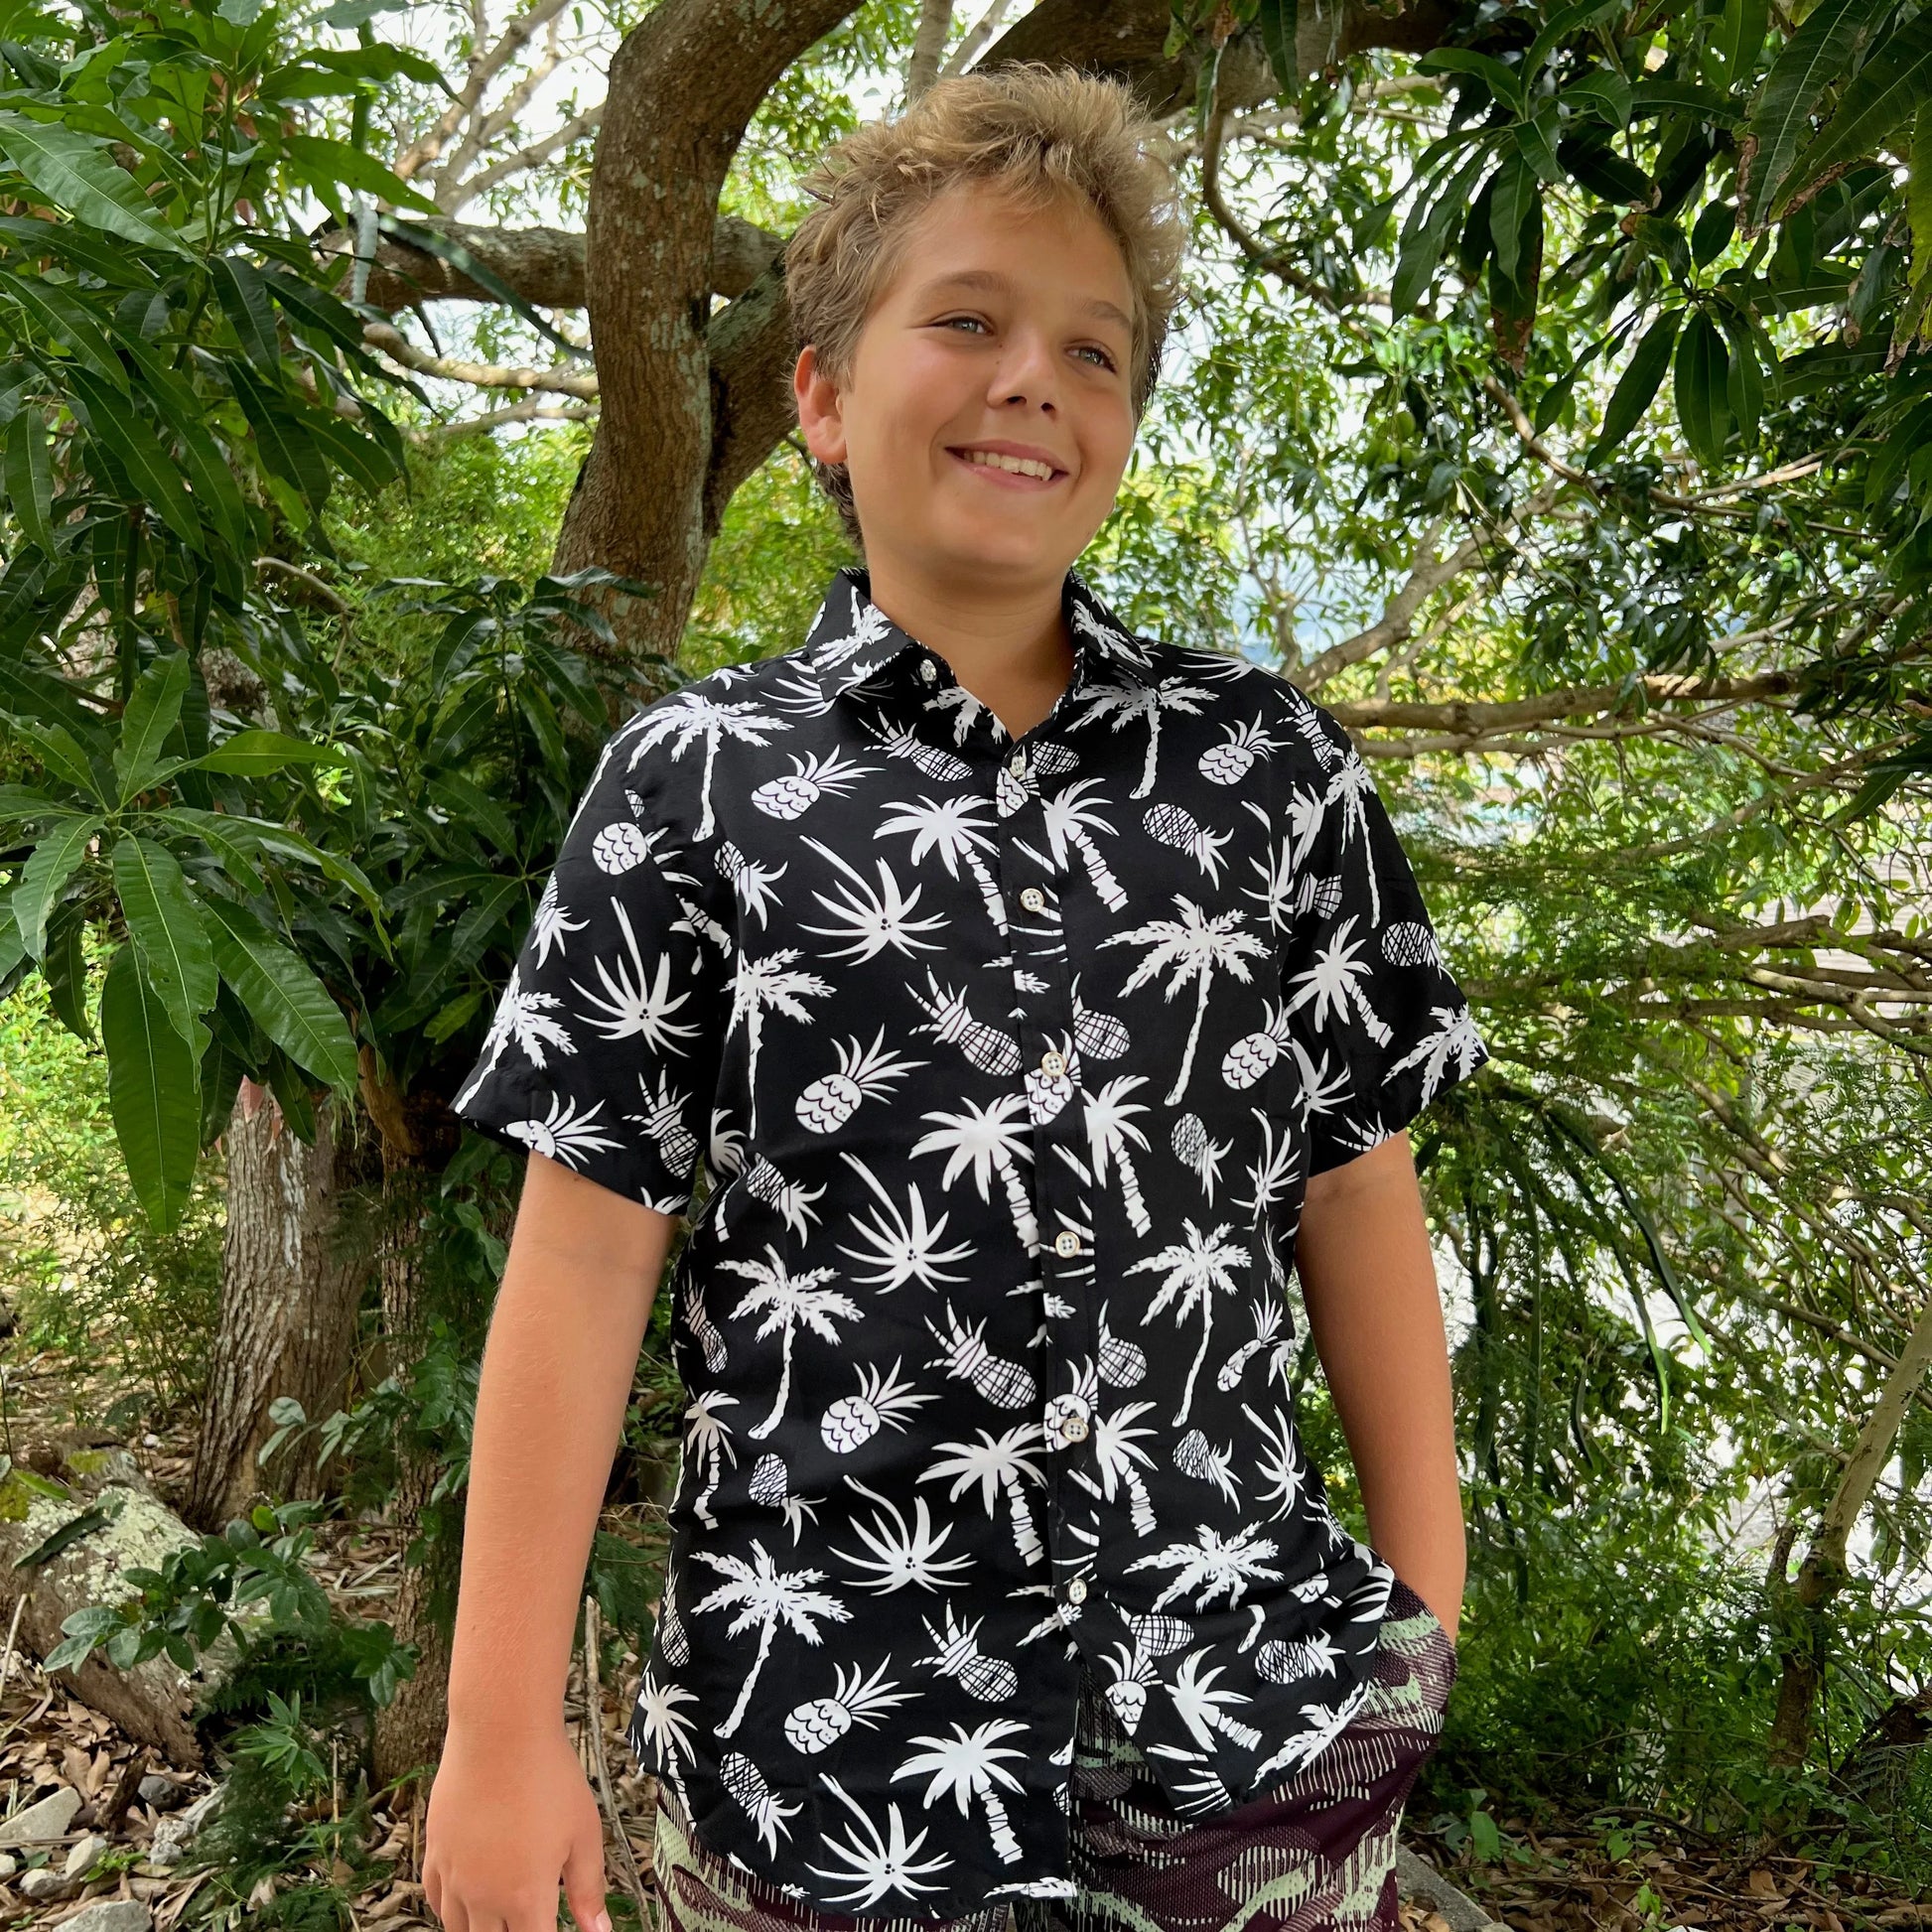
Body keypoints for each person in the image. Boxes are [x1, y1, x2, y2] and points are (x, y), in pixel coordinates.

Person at [424, 58, 1491, 1932]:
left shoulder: (1265, 768)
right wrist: (500, 1734)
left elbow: (1351, 1184)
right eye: (969, 320)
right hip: (821, 1770)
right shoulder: (693, 782)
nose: (1034, 383)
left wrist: (1419, 1618)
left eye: (1095, 353)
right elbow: (584, 1257)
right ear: (823, 399)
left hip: (1244, 1743)